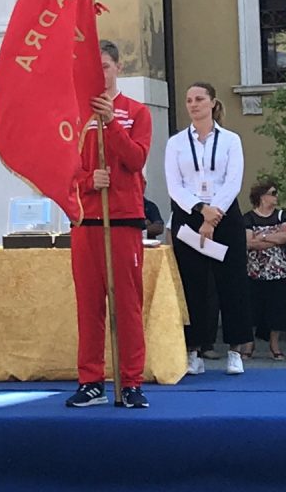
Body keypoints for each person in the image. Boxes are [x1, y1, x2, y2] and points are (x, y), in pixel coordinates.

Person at [66, 41, 153, 409]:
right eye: (94, 68)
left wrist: (111, 123)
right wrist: (89, 181)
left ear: (117, 67)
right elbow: (64, 172)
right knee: (89, 305)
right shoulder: (72, 116)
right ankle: (91, 381)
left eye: (105, 66)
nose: (100, 74)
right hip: (86, 221)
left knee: (127, 305)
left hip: (123, 220)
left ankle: (131, 381)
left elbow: (135, 159)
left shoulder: (136, 112)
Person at [165, 82, 251, 376]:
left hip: (225, 216)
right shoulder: (176, 143)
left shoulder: (230, 140)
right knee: (192, 286)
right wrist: (201, 211)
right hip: (189, 216)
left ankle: (235, 350)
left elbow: (233, 180)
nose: (193, 104)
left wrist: (214, 215)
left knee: (233, 284)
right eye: (189, 100)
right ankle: (194, 351)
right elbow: (174, 186)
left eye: (199, 99)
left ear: (213, 103)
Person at [243, 180, 286, 361]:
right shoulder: (248, 218)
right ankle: (249, 344)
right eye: (272, 193)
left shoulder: (281, 215)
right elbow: (249, 242)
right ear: (262, 196)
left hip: (279, 271)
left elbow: (284, 237)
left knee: (277, 310)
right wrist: (273, 237)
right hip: (254, 271)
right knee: (252, 308)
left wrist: (262, 236)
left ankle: (275, 345)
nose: (276, 196)